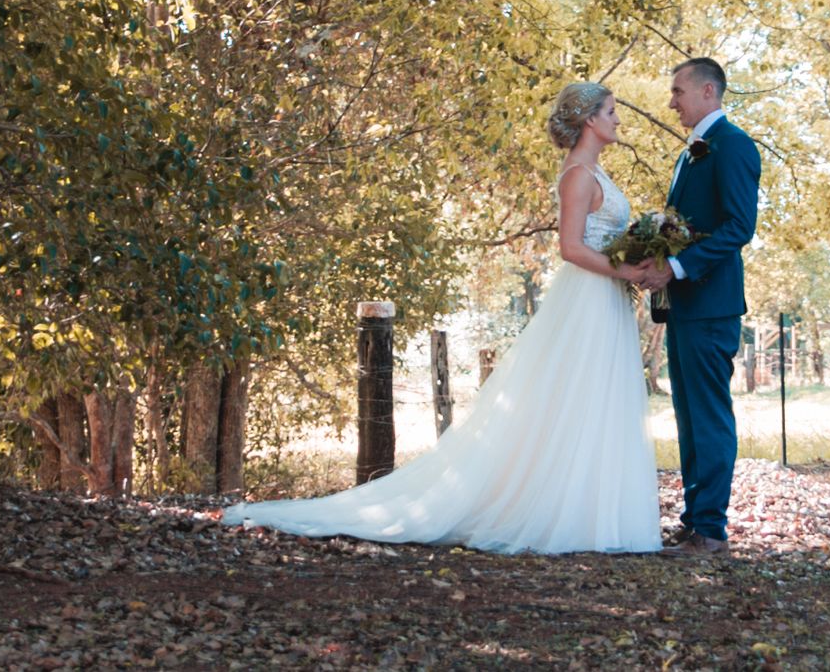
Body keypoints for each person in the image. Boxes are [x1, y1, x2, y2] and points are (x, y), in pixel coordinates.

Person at [220, 81, 662, 552]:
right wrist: (629, 268)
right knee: (578, 397)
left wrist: (634, 257)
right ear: (591, 119)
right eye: (612, 111)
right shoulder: (577, 174)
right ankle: (566, 513)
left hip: (605, 297)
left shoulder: (596, 172)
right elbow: (570, 247)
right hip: (587, 300)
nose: (618, 120)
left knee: (596, 399)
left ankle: (594, 513)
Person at [634, 55, 760, 549]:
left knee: (708, 415)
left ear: (708, 92)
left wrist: (678, 267)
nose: (672, 102)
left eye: (678, 92)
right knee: (688, 416)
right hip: (685, 306)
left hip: (711, 305)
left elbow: (738, 227)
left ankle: (711, 528)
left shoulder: (733, 146)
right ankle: (695, 517)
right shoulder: (690, 153)